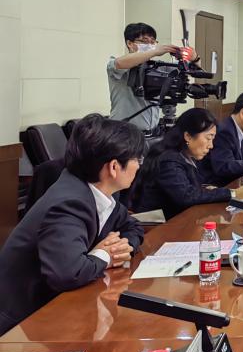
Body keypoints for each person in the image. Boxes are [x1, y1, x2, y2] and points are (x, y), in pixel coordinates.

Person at [0, 115, 146, 334]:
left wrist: (123, 247)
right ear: (114, 167)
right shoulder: (69, 203)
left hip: (54, 307)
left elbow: (133, 227)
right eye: (138, 160)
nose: (139, 166)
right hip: (21, 324)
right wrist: (106, 255)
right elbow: (68, 273)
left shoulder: (99, 192)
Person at [132, 108, 243, 219]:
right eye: (208, 138)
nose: (211, 145)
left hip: (178, 219)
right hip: (159, 227)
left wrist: (204, 188)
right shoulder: (168, 160)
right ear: (188, 136)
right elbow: (186, 196)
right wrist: (234, 193)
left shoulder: (185, 155)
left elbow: (187, 188)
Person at [107, 22, 181, 131]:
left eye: (153, 42)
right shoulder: (116, 64)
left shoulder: (157, 67)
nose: (150, 45)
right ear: (130, 43)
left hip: (152, 132)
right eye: (145, 41)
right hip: (123, 132)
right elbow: (119, 63)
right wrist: (154, 51)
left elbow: (189, 70)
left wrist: (195, 58)